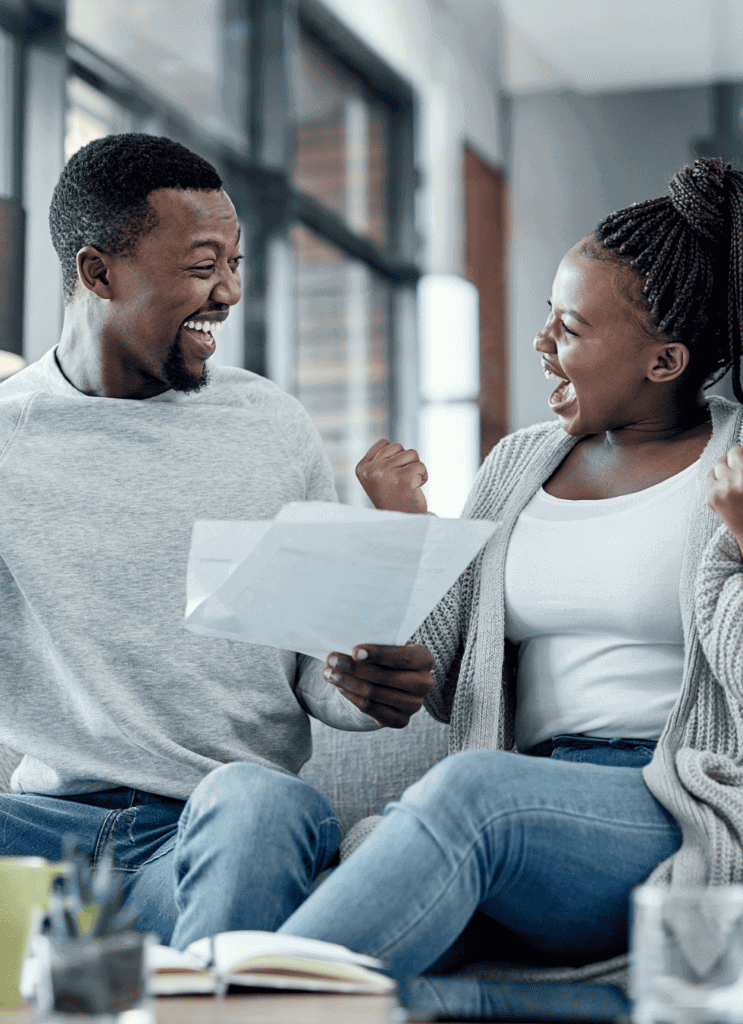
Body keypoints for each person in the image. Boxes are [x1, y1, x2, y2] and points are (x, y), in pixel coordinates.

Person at [0, 132, 434, 950]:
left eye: (235, 262)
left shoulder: (271, 427)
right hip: (42, 839)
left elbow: (321, 678)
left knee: (259, 800)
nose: (228, 292)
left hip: (218, 825)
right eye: (202, 266)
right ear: (98, 272)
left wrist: (368, 688)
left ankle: (201, 992)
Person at [278, 157, 743, 981]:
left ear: (663, 362)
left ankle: (222, 1008)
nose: (539, 344)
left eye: (568, 328)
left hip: (667, 801)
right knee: (403, 937)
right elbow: (445, 678)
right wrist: (407, 531)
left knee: (466, 795)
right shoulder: (520, 462)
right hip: (527, 789)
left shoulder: (734, 467)